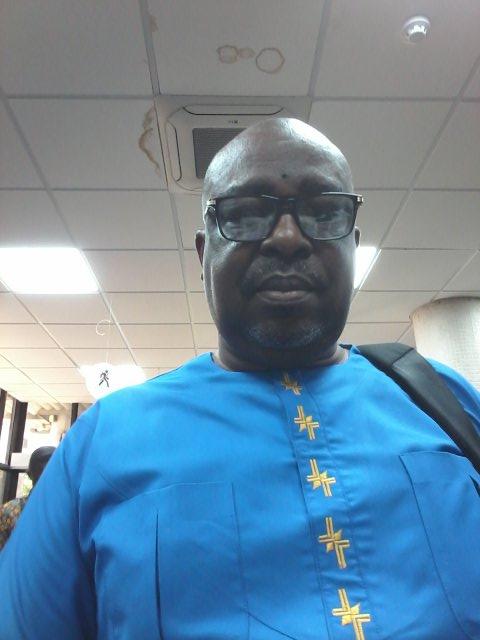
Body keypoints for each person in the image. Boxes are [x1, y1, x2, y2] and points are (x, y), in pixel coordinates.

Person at [0, 118, 479, 639]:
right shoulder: (103, 441)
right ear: (204, 253)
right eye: (247, 213)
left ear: (352, 244)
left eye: (324, 212)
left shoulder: (443, 398)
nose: (288, 238)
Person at [0, 446, 55, 551]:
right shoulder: (9, 512)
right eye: (41, 467)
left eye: (52, 467)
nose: (46, 472)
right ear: (29, 474)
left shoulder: (71, 513)